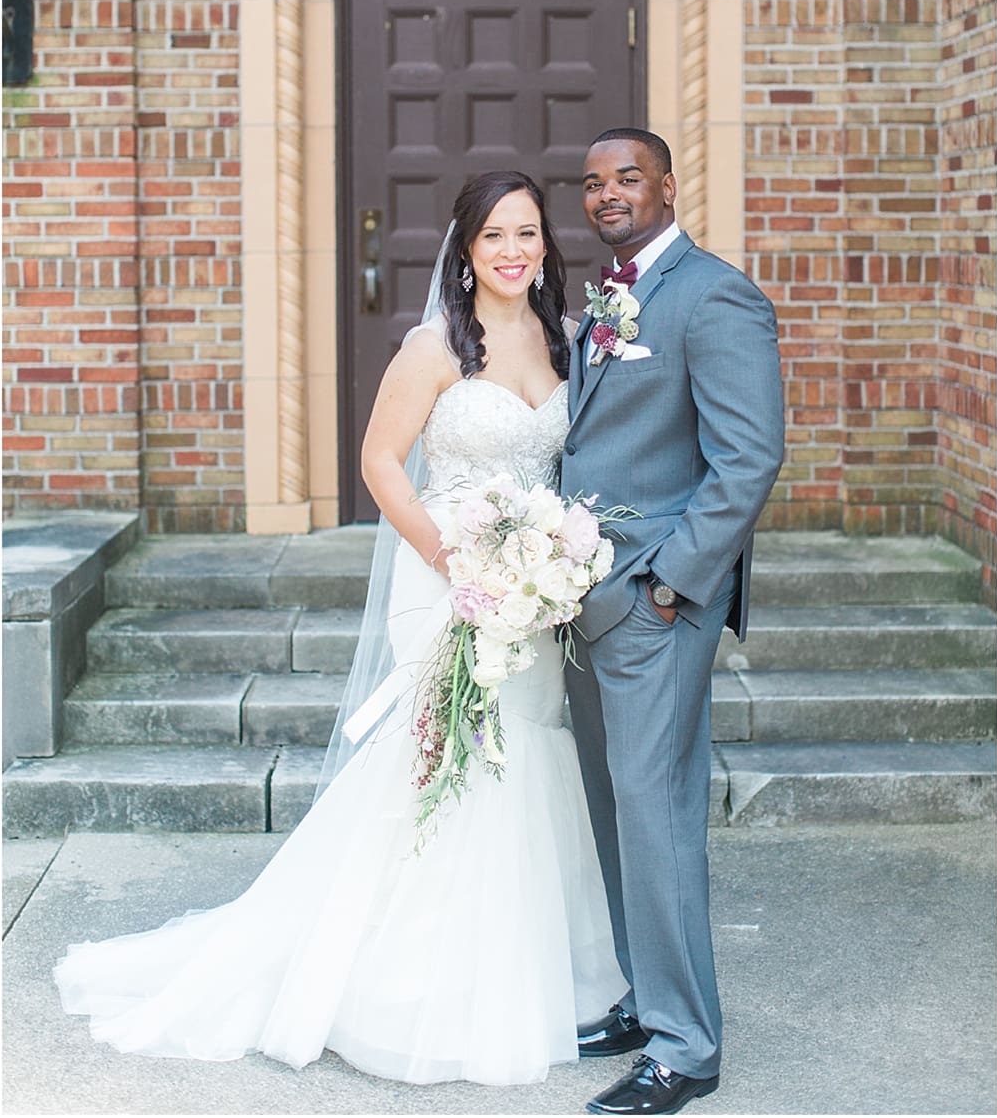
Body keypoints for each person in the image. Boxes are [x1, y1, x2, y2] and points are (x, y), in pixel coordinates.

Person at [54, 171, 626, 1085]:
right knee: (455, 756)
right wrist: (454, 559)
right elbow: (378, 460)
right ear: (467, 249)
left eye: (528, 234)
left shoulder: (564, 344)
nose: (514, 251)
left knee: (527, 749)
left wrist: (547, 557)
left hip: (532, 586)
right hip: (444, 575)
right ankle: (404, 986)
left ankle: (520, 968)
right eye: (494, 237)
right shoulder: (435, 347)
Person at [559, 127, 786, 1117]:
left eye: (626, 176)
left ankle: (686, 1047)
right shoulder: (610, 292)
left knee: (656, 819)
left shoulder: (713, 293)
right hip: (579, 599)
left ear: (666, 184)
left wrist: (666, 587)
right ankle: (645, 998)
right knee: (613, 813)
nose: (607, 192)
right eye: (592, 181)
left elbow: (748, 457)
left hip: (655, 603)